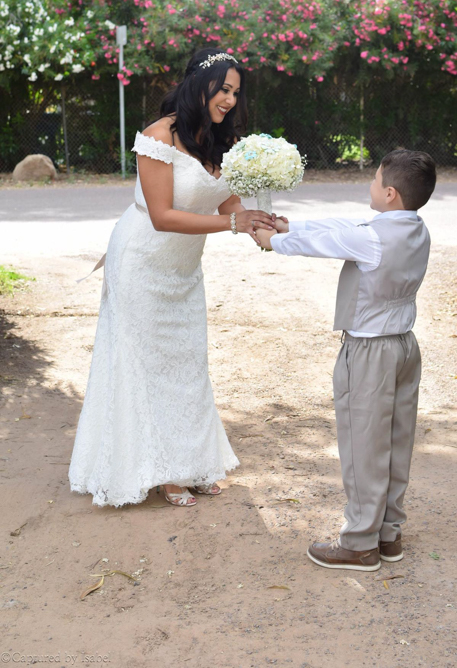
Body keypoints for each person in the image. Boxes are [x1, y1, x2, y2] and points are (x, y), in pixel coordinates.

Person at [69, 48, 276, 508]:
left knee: (186, 364)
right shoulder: (156, 137)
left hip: (183, 269)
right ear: (197, 85)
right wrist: (234, 225)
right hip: (141, 262)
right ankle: (161, 470)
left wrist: (262, 227)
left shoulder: (220, 139)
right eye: (223, 89)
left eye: (235, 92)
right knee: (147, 365)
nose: (228, 99)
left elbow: (227, 203)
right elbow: (162, 216)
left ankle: (193, 462)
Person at [257, 149, 436, 571]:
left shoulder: (372, 236)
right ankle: (387, 533)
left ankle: (358, 543)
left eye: (374, 181)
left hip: (369, 351)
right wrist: (291, 223)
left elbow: (328, 241)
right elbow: (345, 227)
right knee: (395, 442)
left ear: (390, 193)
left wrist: (274, 239)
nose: (369, 186)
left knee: (362, 444)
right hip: (405, 347)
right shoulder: (416, 229)